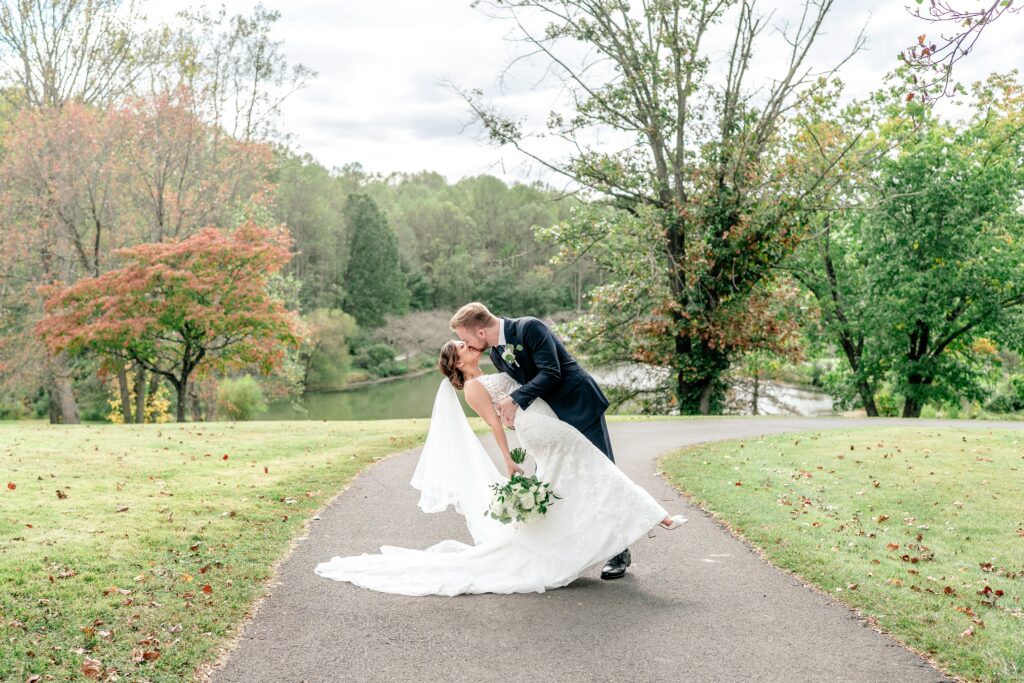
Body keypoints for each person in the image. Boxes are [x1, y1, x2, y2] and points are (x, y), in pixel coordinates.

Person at [313, 326, 686, 597]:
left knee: (582, 472)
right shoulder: (474, 386)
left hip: (542, 422)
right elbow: (495, 424)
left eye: (465, 338)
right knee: (591, 464)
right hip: (536, 428)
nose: (467, 344)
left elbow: (524, 379)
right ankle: (654, 518)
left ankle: (614, 531)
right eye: (461, 344)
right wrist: (507, 460)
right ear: (457, 361)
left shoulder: (490, 366)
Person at [450, 303, 632, 579]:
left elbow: (551, 372)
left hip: (579, 405)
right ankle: (571, 547)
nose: (466, 344)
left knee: (601, 473)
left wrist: (514, 400)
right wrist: (517, 415)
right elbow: (520, 384)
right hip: (550, 419)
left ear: (480, 331)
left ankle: (620, 550)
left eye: (465, 339)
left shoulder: (529, 327)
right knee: (560, 482)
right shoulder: (498, 353)